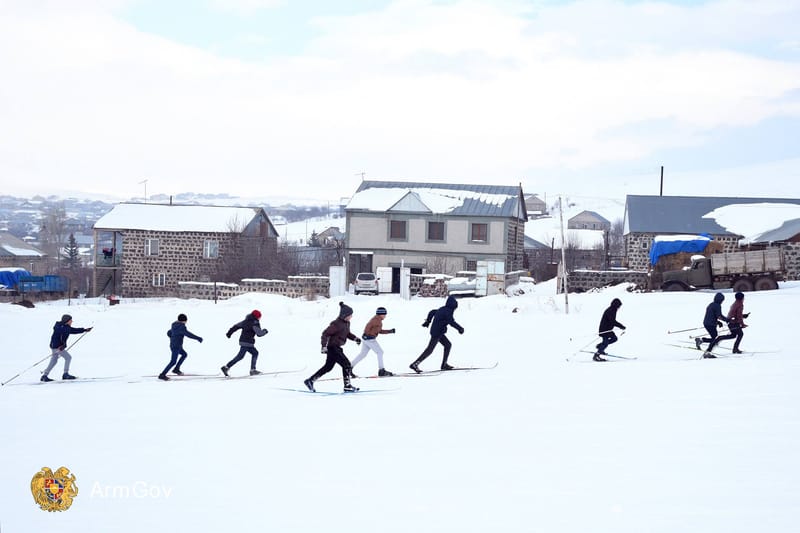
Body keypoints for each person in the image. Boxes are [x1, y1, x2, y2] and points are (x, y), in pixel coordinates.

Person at [304, 302, 361, 392]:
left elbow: (347, 333)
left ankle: (310, 381)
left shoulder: (346, 323)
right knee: (346, 365)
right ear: (344, 315)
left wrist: (355, 338)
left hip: (336, 348)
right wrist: (323, 346)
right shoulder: (336, 324)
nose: (351, 317)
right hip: (333, 348)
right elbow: (325, 334)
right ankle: (347, 386)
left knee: (328, 367)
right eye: (350, 315)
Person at [410, 295, 464, 373]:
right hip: (437, 332)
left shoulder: (442, 309)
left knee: (448, 345)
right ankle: (415, 364)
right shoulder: (448, 311)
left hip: (439, 331)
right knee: (429, 350)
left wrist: (428, 321)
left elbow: (432, 312)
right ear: (454, 306)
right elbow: (451, 322)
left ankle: (444, 364)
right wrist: (460, 328)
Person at [42, 314, 93, 382]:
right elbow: (57, 337)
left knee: (54, 361)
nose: (72, 321)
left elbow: (73, 330)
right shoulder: (60, 328)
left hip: (55, 346)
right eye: (71, 320)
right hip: (57, 347)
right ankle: (65, 374)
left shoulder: (64, 327)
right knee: (68, 357)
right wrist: (60, 346)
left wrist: (84, 330)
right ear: (67, 321)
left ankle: (44, 376)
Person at [350, 306, 396, 377]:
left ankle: (349, 367)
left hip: (367, 339)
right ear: (381, 314)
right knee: (380, 352)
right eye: (384, 314)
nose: (385, 316)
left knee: (363, 354)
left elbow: (379, 331)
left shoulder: (378, 320)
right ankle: (381, 370)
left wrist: (389, 331)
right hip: (369, 339)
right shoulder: (376, 320)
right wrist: (366, 334)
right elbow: (367, 326)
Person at [222, 310, 267, 376]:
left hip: (243, 341)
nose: (260, 318)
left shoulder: (245, 321)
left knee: (254, 353)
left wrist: (229, 333)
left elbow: (236, 326)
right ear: (257, 317)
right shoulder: (255, 323)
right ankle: (227, 367)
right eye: (259, 317)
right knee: (240, 356)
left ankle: (252, 370)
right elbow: (259, 334)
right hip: (247, 342)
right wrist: (265, 331)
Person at [159, 313, 203, 381]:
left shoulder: (174, 325)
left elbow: (169, 332)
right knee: (173, 361)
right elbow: (188, 334)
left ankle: (176, 369)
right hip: (176, 347)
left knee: (184, 354)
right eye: (186, 320)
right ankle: (162, 375)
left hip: (176, 345)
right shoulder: (181, 327)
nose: (186, 322)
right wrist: (198, 338)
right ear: (183, 320)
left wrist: (173, 337)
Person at [695, 292, 730, 358]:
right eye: (722, 300)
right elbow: (719, 316)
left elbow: (712, 315)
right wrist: (727, 320)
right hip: (711, 324)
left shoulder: (711, 304)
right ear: (720, 300)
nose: (722, 302)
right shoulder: (717, 305)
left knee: (715, 338)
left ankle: (701, 341)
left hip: (707, 323)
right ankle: (707, 352)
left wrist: (718, 322)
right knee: (715, 339)